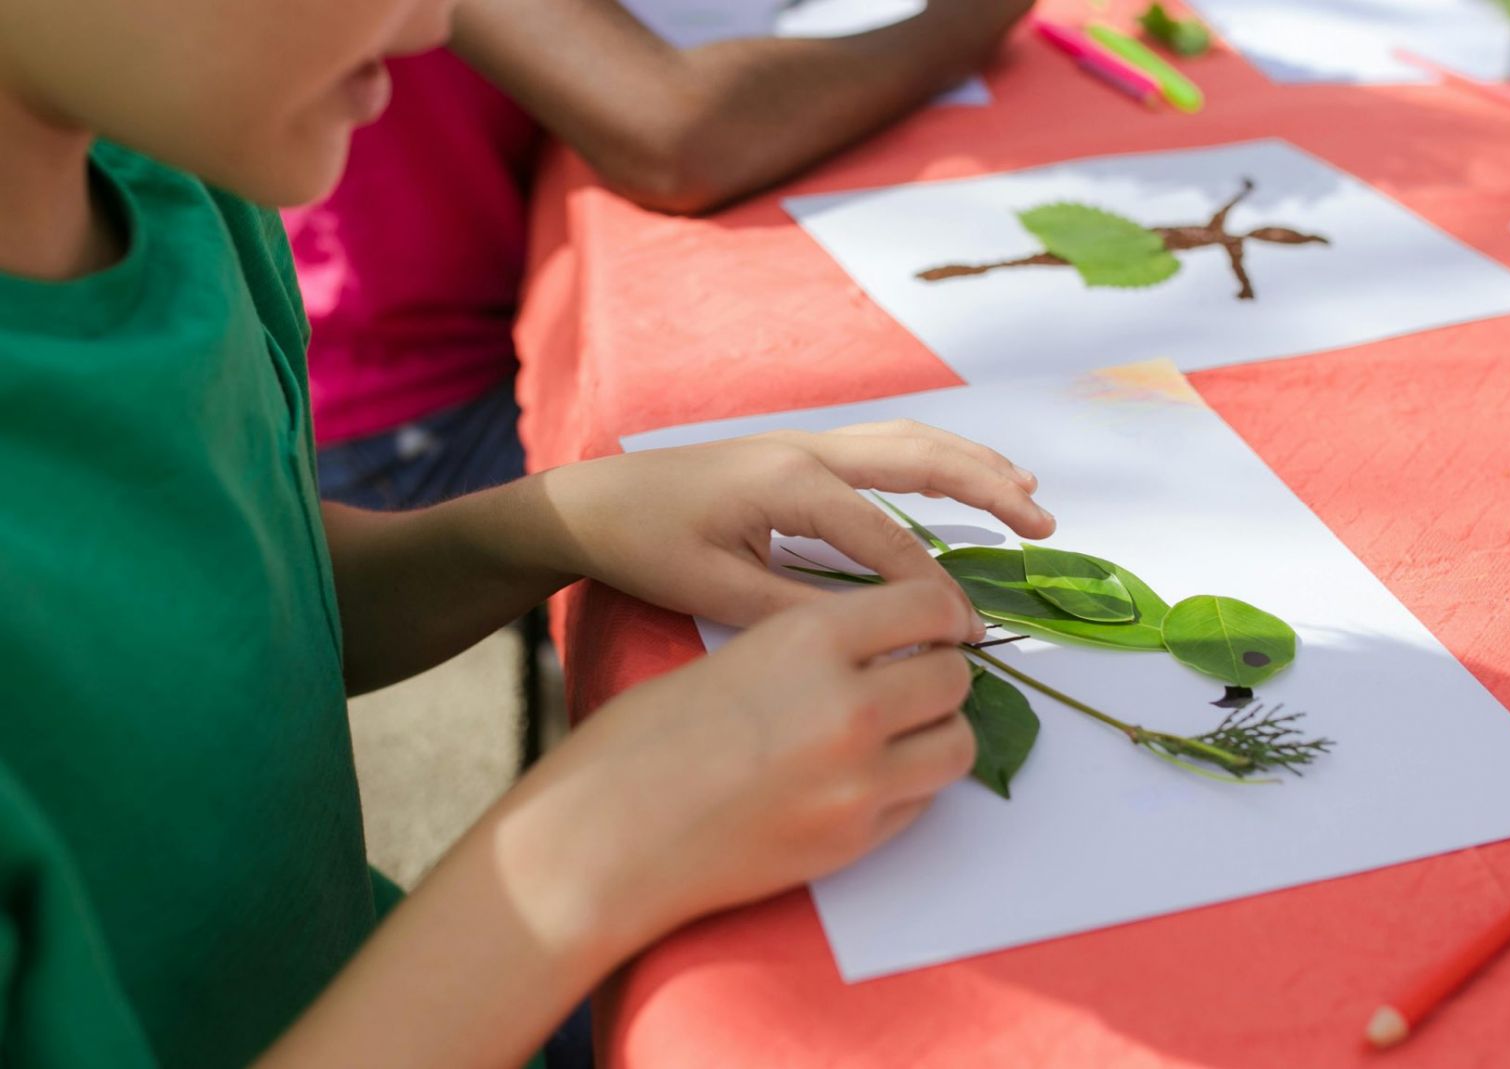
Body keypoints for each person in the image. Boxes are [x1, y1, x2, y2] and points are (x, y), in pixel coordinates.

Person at [0, 0, 1056, 1065]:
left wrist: (554, 520)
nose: (427, 31)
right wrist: (582, 856)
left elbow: (228, 622)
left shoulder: (179, 182)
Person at [291, 0, 1032, 510]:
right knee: (842, 475)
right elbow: (677, 136)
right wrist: (966, 21)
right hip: (392, 423)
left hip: (429, 337)